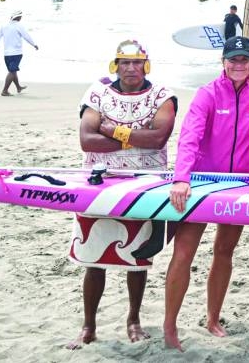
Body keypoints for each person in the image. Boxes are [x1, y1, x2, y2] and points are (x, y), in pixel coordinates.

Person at [66, 40, 178, 349]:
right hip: (100, 185)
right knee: (93, 259)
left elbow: (157, 139)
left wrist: (114, 130)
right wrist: (135, 137)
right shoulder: (98, 93)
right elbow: (87, 140)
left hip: (143, 185)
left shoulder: (161, 96)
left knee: (136, 258)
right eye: (124, 62)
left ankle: (133, 319)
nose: (131, 67)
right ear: (115, 64)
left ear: (146, 64)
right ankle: (89, 326)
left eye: (137, 62)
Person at [163, 36, 249, 351]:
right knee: (184, 253)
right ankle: (170, 327)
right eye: (233, 59)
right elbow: (190, 137)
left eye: (244, 60)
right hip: (201, 184)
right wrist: (182, 178)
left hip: (237, 184)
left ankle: (213, 318)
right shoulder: (207, 94)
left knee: (224, 252)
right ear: (223, 61)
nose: (239, 65)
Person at [0, 10, 38, 96]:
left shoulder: (4, 26)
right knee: (12, 71)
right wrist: (34, 44)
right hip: (16, 53)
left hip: (6, 54)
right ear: (18, 17)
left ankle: (18, 87)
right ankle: (4, 91)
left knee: (13, 70)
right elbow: (26, 36)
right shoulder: (19, 26)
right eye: (21, 17)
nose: (21, 18)